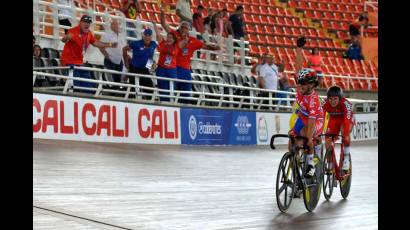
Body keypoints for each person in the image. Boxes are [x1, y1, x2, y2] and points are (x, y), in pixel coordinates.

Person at [160, 6, 220, 103]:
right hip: (174, 68)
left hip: (185, 70)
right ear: (179, 28)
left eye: (186, 28)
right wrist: (162, 13)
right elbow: (164, 24)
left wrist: (215, 48)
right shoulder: (175, 35)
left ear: (189, 30)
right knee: (173, 91)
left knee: (186, 93)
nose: (184, 29)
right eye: (182, 27)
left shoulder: (193, 40)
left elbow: (205, 46)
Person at [60, 15, 117, 93]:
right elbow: (64, 40)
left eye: (88, 23)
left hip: (79, 63)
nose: (87, 24)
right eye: (85, 22)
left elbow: (96, 43)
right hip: (69, 62)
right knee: (74, 86)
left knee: (88, 86)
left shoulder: (89, 34)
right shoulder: (73, 30)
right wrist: (66, 37)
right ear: (80, 23)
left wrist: (110, 45)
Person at [289, 68, 324, 178]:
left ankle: (310, 164)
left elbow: (312, 122)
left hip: (316, 120)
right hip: (303, 117)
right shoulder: (301, 89)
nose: (300, 85)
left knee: (306, 137)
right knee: (291, 141)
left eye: (303, 83)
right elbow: (297, 66)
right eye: (299, 82)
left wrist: (309, 139)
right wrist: (299, 49)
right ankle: (296, 168)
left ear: (312, 84)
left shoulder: (314, 100)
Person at [323, 86, 355, 171]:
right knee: (328, 141)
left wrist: (346, 135)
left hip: (346, 119)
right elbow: (320, 118)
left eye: (335, 99)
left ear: (340, 99)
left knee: (345, 133)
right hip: (334, 120)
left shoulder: (346, 104)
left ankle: (346, 157)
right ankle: (330, 162)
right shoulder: (325, 104)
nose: (332, 101)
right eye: (330, 99)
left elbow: (347, 121)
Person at [122, 27, 157, 100]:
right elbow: (124, 49)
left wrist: (149, 67)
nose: (147, 37)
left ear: (151, 37)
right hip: (134, 68)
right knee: (133, 90)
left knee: (150, 89)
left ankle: (148, 105)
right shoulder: (136, 43)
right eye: (146, 35)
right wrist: (126, 63)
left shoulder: (153, 44)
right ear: (143, 36)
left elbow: (151, 56)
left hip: (144, 69)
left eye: (149, 35)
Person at [99, 19, 127, 87]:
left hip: (119, 61)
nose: (116, 26)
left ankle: (116, 94)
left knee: (117, 80)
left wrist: (125, 60)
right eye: (114, 24)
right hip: (109, 60)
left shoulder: (121, 36)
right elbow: (100, 46)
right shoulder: (107, 35)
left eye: (117, 24)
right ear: (111, 26)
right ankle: (110, 94)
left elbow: (124, 49)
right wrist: (107, 56)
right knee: (110, 80)